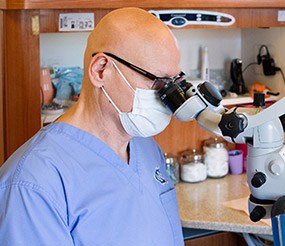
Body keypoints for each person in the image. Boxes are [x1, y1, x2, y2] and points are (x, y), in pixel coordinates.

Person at [0, 7, 184, 245]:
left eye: (174, 82)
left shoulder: (147, 149)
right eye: (157, 82)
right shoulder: (33, 182)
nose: (167, 97)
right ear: (101, 70)